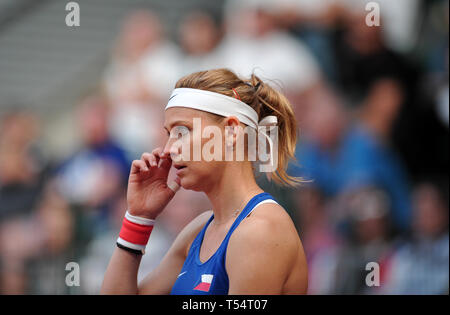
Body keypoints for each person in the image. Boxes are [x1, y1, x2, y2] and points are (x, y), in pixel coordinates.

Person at [101, 68, 308, 295]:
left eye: (183, 131)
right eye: (169, 134)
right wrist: (138, 218)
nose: (169, 149)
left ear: (231, 131)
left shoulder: (260, 231)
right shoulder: (199, 228)